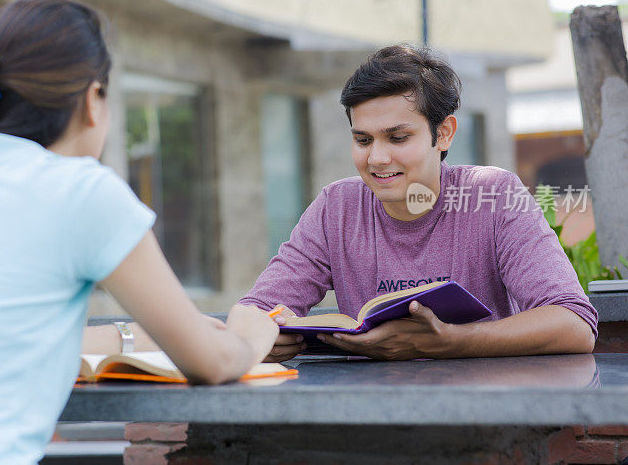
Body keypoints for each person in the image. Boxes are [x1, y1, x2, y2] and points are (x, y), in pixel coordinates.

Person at [0, 0, 278, 464]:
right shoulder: (81, 191)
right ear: (94, 100)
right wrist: (252, 337)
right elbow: (209, 362)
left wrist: (128, 336)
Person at [240, 44, 597, 362]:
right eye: (363, 140)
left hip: (486, 415)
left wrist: (450, 342)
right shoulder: (337, 207)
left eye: (398, 138)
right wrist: (257, 337)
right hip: (367, 415)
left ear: (443, 134)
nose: (377, 158)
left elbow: (574, 323)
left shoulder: (495, 196)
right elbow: (254, 309)